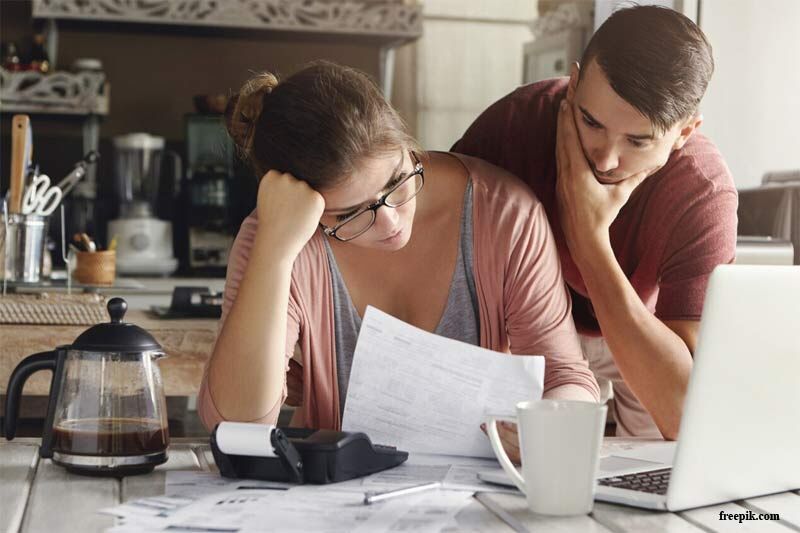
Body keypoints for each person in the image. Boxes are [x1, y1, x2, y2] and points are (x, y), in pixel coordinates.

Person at [197, 62, 600, 458]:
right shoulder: (275, 237)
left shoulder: (505, 213)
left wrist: (551, 422)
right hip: (335, 505)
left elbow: (567, 377)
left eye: (396, 180)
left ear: (407, 144)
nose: (390, 221)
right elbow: (235, 426)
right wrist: (275, 252)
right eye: (351, 214)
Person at [452, 5, 738, 439]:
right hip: (530, 322)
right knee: (510, 454)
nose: (604, 158)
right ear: (574, 82)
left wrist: (588, 240)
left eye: (637, 141)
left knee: (661, 464)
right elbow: (433, 239)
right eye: (590, 121)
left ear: (684, 133)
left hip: (642, 325)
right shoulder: (515, 123)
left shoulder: (703, 193)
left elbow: (684, 414)